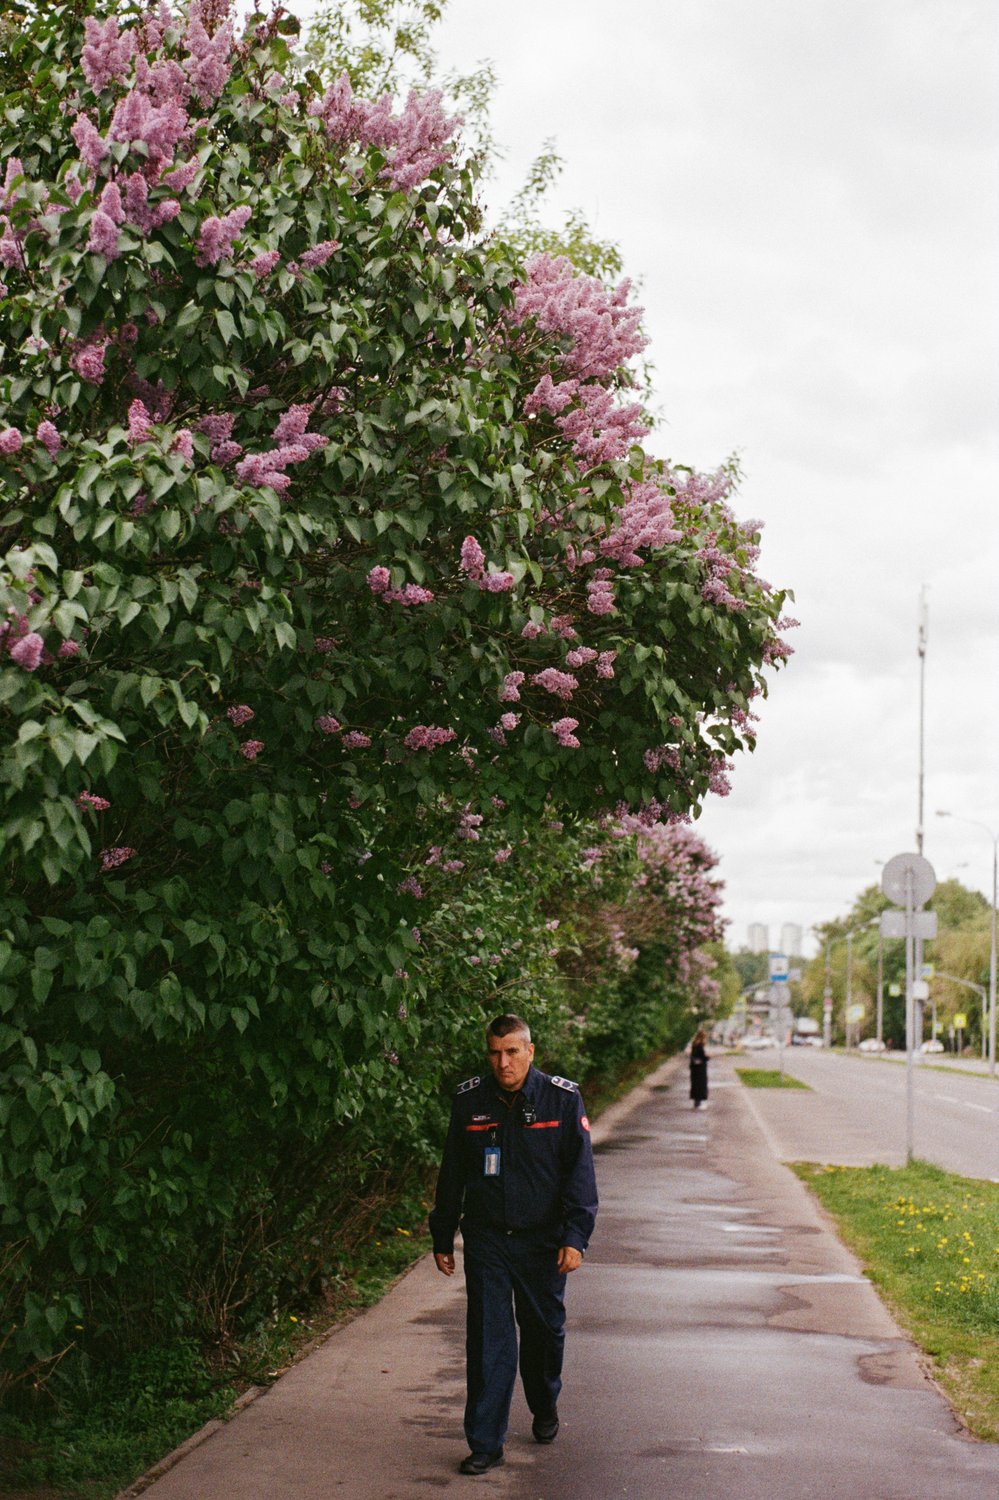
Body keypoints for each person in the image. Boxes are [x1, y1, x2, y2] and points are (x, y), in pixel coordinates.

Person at [429, 1014, 598, 1476]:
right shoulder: (470, 1102)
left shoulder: (561, 1100)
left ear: (530, 1051)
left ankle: (544, 1405)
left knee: (543, 1335)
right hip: (487, 1239)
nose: (503, 1062)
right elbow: (452, 1174)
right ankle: (485, 1442)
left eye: (512, 1052)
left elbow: (580, 1176)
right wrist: (443, 1233)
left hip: (543, 1243)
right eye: (494, 1053)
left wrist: (575, 1237)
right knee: (489, 1339)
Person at [689, 1028, 709, 1108]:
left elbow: (693, 1056)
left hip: (694, 1067)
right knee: (700, 1084)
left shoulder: (694, 1044)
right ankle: (698, 1102)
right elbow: (702, 1057)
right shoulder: (700, 1046)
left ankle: (696, 1101)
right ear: (703, 1037)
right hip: (700, 1068)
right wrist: (708, 1057)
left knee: (695, 1083)